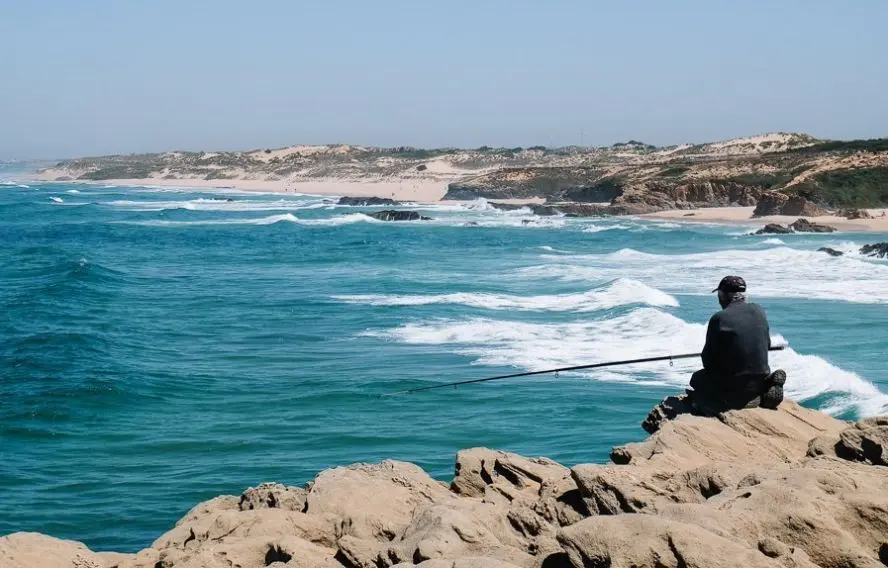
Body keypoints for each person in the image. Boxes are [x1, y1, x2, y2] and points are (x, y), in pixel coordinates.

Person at [642, 276, 786, 433]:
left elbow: (708, 361)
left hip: (733, 391)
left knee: (697, 379)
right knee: (746, 377)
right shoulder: (759, 311)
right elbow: (767, 344)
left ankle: (723, 404)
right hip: (758, 380)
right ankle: (763, 389)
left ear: (724, 295)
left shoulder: (719, 318)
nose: (718, 299)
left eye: (719, 295)